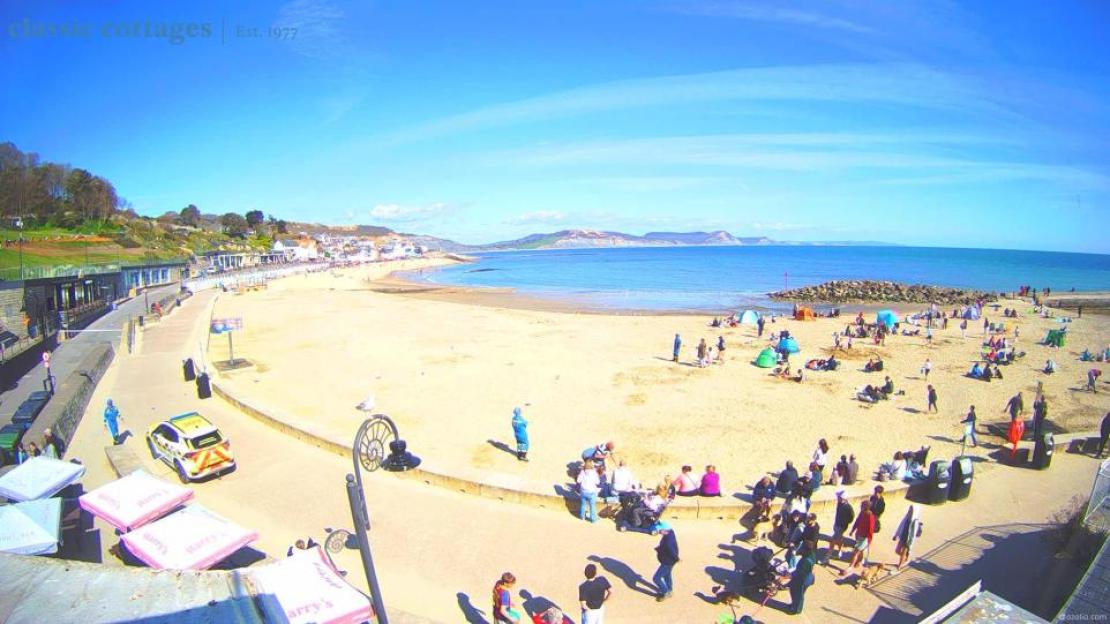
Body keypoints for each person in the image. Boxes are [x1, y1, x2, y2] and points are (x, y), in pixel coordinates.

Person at [844, 500, 876, 574]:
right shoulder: (862, 513)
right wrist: (853, 530)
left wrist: (869, 540)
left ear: (866, 507)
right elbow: (857, 521)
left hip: (864, 538)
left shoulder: (870, 516)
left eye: (862, 505)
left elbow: (871, 529)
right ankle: (859, 562)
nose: (860, 507)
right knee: (860, 551)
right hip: (859, 535)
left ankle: (851, 566)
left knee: (856, 552)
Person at [788, 541, 817, 615]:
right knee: (795, 592)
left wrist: (790, 574)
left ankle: (796, 610)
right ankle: (794, 605)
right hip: (805, 577)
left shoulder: (806, 561)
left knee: (798, 594)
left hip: (802, 580)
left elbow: (800, 574)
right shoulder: (811, 555)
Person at [828, 489, 855, 563]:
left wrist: (844, 523)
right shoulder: (839, 504)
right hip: (837, 524)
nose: (837, 498)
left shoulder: (848, 508)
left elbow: (851, 518)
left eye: (839, 497)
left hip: (841, 527)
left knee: (832, 540)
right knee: (839, 539)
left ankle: (828, 556)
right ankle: (839, 552)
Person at [653, 526, 679, 601]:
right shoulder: (670, 534)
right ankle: (670, 590)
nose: (659, 532)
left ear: (665, 530)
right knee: (667, 575)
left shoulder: (668, 541)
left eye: (660, 530)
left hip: (667, 562)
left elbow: (670, 549)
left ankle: (665, 592)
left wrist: (677, 559)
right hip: (669, 561)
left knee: (656, 578)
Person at [893, 505, 924, 569]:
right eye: (909, 509)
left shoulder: (915, 521)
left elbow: (913, 534)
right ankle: (905, 557)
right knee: (897, 551)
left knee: (903, 552)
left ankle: (900, 565)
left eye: (911, 510)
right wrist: (896, 535)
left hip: (908, 540)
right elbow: (900, 526)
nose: (909, 511)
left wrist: (910, 543)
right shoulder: (906, 518)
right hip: (902, 536)